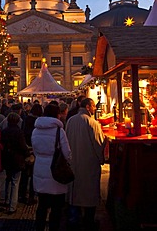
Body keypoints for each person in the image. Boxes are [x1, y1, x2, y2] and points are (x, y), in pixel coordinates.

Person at [66, 98, 107, 230]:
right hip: (88, 164)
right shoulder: (92, 122)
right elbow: (98, 144)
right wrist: (102, 159)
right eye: (94, 106)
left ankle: (74, 219)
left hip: (73, 162)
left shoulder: (71, 120)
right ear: (88, 107)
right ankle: (89, 221)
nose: (95, 109)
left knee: (75, 193)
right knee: (89, 194)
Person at [32, 103, 71, 231]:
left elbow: (35, 149)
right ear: (57, 114)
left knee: (42, 206)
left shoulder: (36, 130)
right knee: (56, 208)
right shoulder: (59, 131)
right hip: (55, 172)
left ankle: (39, 228)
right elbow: (67, 153)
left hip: (40, 169)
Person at [1, 112, 30, 214]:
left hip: (7, 158)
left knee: (8, 179)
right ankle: (12, 205)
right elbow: (22, 147)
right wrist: (27, 153)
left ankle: (6, 200)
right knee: (15, 182)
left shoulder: (4, 131)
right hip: (17, 159)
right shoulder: (19, 132)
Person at [19, 103, 43, 204]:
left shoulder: (25, 119)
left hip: (26, 149)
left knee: (24, 175)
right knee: (33, 174)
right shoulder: (37, 122)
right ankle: (32, 196)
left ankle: (22, 194)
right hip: (34, 150)